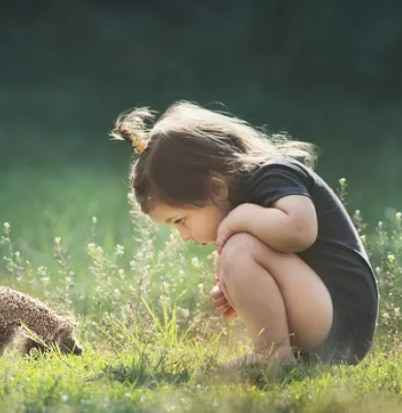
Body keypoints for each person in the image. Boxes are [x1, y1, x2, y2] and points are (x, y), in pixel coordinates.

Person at [111, 101, 378, 366]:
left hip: (343, 322)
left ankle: (273, 356)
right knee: (236, 250)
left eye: (181, 220)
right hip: (323, 318)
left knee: (240, 247)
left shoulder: (273, 174)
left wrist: (239, 219)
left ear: (216, 189)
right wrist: (239, 286)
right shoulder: (243, 199)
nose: (183, 235)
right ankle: (284, 355)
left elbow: (300, 230)